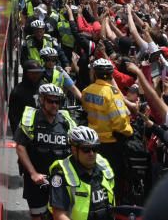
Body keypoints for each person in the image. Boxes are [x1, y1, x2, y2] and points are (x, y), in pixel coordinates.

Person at [16, 83, 77, 220]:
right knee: (38, 216)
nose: (55, 105)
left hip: (60, 180)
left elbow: (75, 148)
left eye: (58, 101)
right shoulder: (30, 120)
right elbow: (20, 147)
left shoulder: (66, 121)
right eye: (51, 101)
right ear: (42, 100)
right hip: (37, 181)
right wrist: (33, 174)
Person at [81, 58, 132, 203]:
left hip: (92, 141)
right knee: (112, 178)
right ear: (111, 75)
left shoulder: (86, 91)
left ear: (95, 74)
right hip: (111, 144)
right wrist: (129, 132)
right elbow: (120, 122)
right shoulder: (112, 93)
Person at [48, 126, 115, 220]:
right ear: (74, 150)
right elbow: (59, 215)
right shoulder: (61, 174)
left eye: (95, 148)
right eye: (86, 149)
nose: (91, 153)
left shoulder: (103, 164)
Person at [10, 60, 46, 136]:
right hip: (25, 133)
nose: (35, 75)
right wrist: (18, 135)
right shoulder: (17, 92)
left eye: (38, 73)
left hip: (44, 132)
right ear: (26, 73)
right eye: (32, 73)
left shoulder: (45, 88)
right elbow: (13, 117)